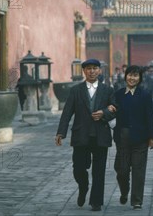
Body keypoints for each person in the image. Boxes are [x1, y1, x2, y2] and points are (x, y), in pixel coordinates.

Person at [55, 58, 116, 212]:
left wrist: (104, 112)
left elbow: (116, 108)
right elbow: (67, 112)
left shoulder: (107, 90)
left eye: (95, 68)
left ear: (99, 71)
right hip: (81, 135)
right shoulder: (76, 90)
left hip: (100, 134)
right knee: (79, 168)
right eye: (88, 68)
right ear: (84, 71)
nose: (92, 71)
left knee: (99, 170)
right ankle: (83, 187)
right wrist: (61, 132)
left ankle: (96, 201)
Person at [113, 65, 153, 210]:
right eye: (130, 75)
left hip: (140, 138)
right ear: (125, 76)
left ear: (140, 78)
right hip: (122, 138)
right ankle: (124, 191)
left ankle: (137, 200)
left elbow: (150, 117)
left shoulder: (144, 95)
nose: (132, 78)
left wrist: (152, 137)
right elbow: (111, 111)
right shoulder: (118, 94)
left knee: (138, 171)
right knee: (122, 170)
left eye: (136, 76)